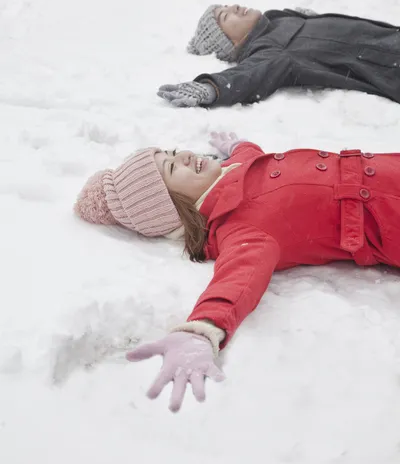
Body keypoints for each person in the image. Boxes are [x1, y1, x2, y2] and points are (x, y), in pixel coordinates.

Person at [74, 132, 400, 412]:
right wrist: (201, 330)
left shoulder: (233, 168)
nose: (185, 155)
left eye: (172, 153)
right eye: (174, 168)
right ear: (174, 208)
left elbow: (249, 155)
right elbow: (238, 279)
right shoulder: (241, 227)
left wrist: (238, 144)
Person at [157, 4, 400, 108]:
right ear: (229, 43)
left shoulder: (278, 20)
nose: (234, 7)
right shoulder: (268, 50)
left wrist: (309, 18)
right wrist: (210, 88)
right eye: (225, 16)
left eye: (227, 5)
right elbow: (248, 76)